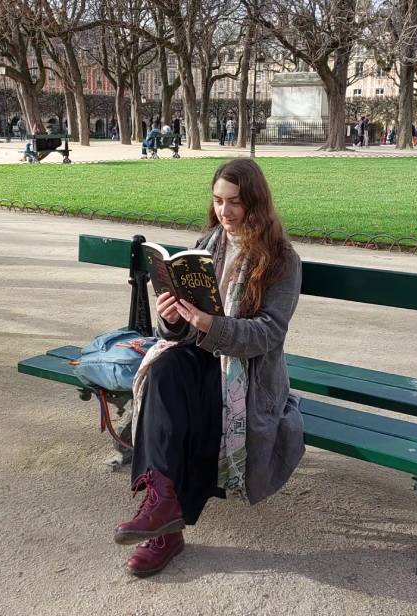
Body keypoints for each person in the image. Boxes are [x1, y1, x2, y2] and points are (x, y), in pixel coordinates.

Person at [113, 159, 305, 577]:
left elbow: (269, 333)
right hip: (201, 352)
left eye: (235, 202)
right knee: (164, 373)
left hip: (248, 375)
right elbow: (181, 329)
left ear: (256, 202)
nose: (225, 211)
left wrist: (209, 325)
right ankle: (162, 501)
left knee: (199, 403)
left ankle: (166, 529)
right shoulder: (208, 244)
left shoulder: (282, 260)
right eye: (218, 201)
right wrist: (173, 317)